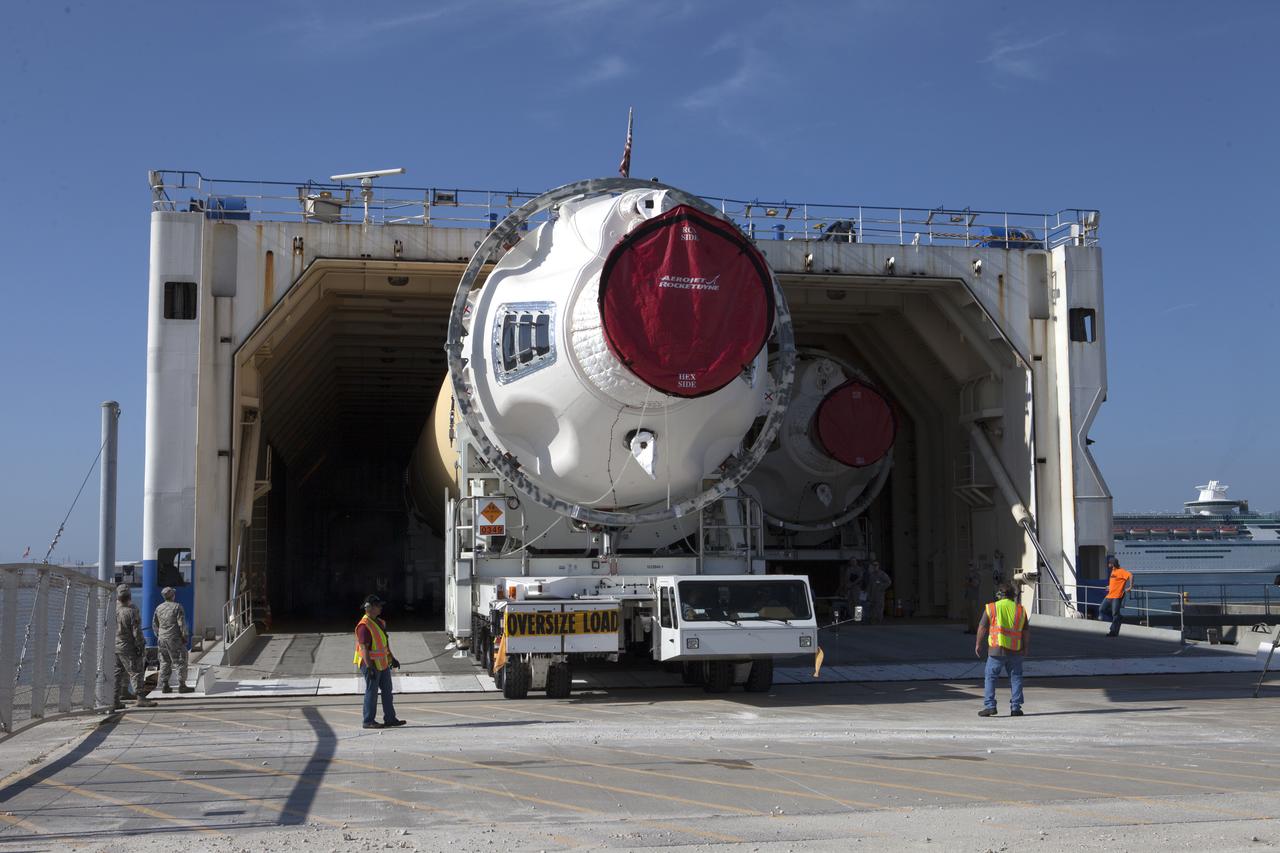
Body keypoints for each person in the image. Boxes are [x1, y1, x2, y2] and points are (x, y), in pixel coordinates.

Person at [975, 582, 1029, 717]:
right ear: (1013, 595)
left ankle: (990, 706)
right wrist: (1025, 647)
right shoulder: (1020, 610)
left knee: (991, 677)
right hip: (1015, 649)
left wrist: (978, 644)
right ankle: (1016, 708)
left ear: (999, 594)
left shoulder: (992, 608)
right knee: (1016, 678)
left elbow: (982, 627)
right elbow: (1026, 632)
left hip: (996, 650)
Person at [354, 594, 406, 729]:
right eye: (378, 606)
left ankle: (390, 719)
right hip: (370, 664)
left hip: (382, 663)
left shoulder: (380, 623)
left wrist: (392, 658)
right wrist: (369, 667)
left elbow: (384, 644)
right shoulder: (364, 626)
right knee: (371, 692)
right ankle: (368, 720)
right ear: (369, 608)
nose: (380, 608)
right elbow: (364, 648)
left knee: (387, 690)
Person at [113, 585, 155, 710]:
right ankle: (141, 698)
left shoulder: (113, 610)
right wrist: (141, 645)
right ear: (129, 596)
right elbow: (136, 632)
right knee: (136, 672)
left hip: (116, 645)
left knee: (117, 673)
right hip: (128, 646)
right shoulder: (131, 611)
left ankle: (116, 699)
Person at [152, 586, 193, 693]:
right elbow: (181, 624)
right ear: (172, 596)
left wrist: (159, 635)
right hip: (174, 638)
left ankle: (165, 685)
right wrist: (185, 636)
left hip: (162, 639)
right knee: (180, 661)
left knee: (164, 661)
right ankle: (182, 685)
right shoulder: (177, 607)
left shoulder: (158, 608)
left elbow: (154, 624)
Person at [1098, 555, 1133, 637]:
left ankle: (1113, 631)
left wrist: (1130, 587)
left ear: (1112, 564)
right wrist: (1110, 586)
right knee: (1102, 609)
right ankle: (1118, 617)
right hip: (1109, 595)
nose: (1108, 564)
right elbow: (1115, 582)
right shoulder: (1113, 571)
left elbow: (1131, 575)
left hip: (1117, 596)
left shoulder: (1121, 571)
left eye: (1109, 563)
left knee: (1114, 614)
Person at [963, 563, 982, 634]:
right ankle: (970, 628)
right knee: (969, 613)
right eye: (969, 565)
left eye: (971, 565)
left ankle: (975, 629)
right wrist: (969, 582)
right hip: (967, 596)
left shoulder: (977, 575)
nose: (970, 567)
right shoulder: (967, 575)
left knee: (974, 613)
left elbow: (975, 584)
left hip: (974, 597)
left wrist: (970, 581)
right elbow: (964, 584)